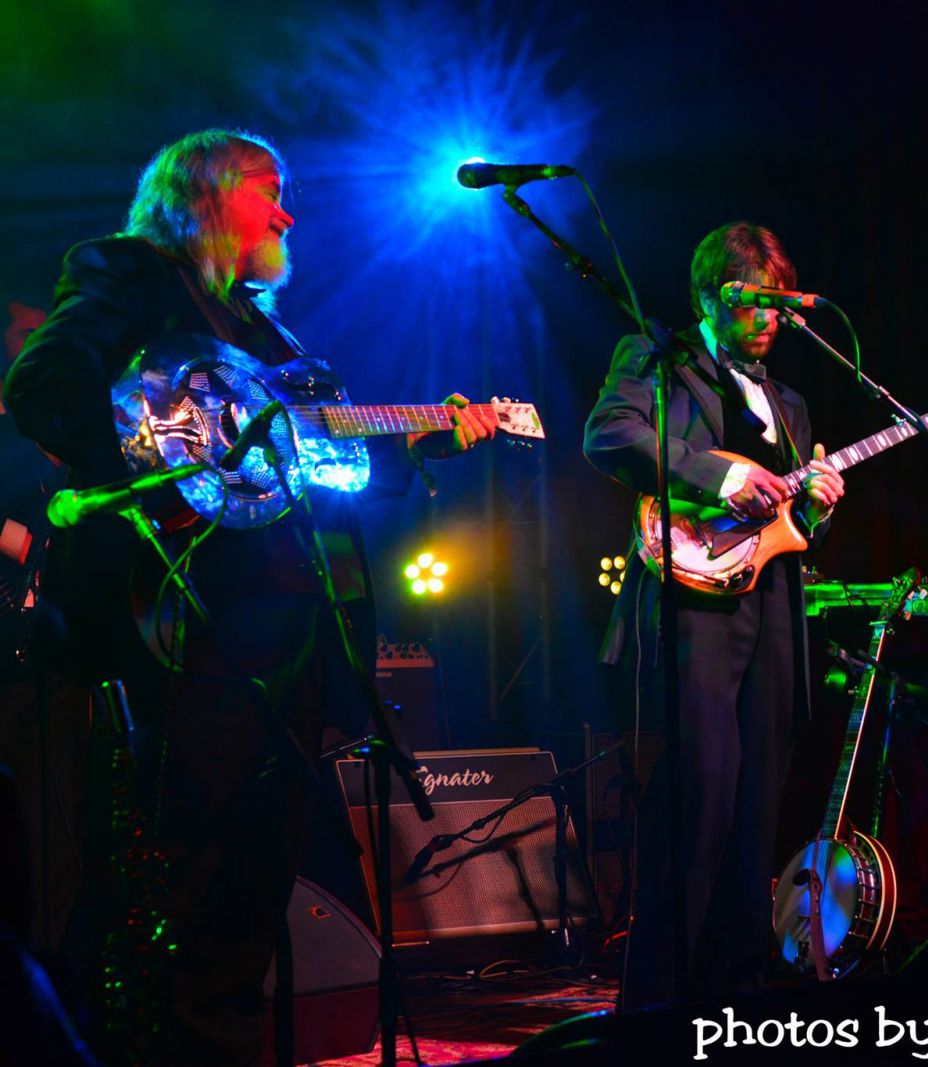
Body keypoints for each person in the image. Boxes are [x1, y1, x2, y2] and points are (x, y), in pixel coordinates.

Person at [3, 129, 494, 1065]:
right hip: (185, 626)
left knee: (256, 883)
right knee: (183, 878)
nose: (288, 212)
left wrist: (419, 442)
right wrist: (171, 477)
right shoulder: (128, 273)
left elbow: (321, 466)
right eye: (272, 190)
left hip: (290, 633)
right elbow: (45, 384)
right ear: (209, 193)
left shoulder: (274, 338)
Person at [583, 221, 844, 1008]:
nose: (771, 319)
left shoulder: (790, 400)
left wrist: (820, 504)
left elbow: (787, 521)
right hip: (692, 601)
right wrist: (715, 479)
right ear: (711, 294)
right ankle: (661, 998)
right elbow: (608, 433)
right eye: (754, 303)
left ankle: (736, 991)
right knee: (701, 794)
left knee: (759, 795)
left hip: (770, 604)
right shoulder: (658, 359)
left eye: (779, 305)